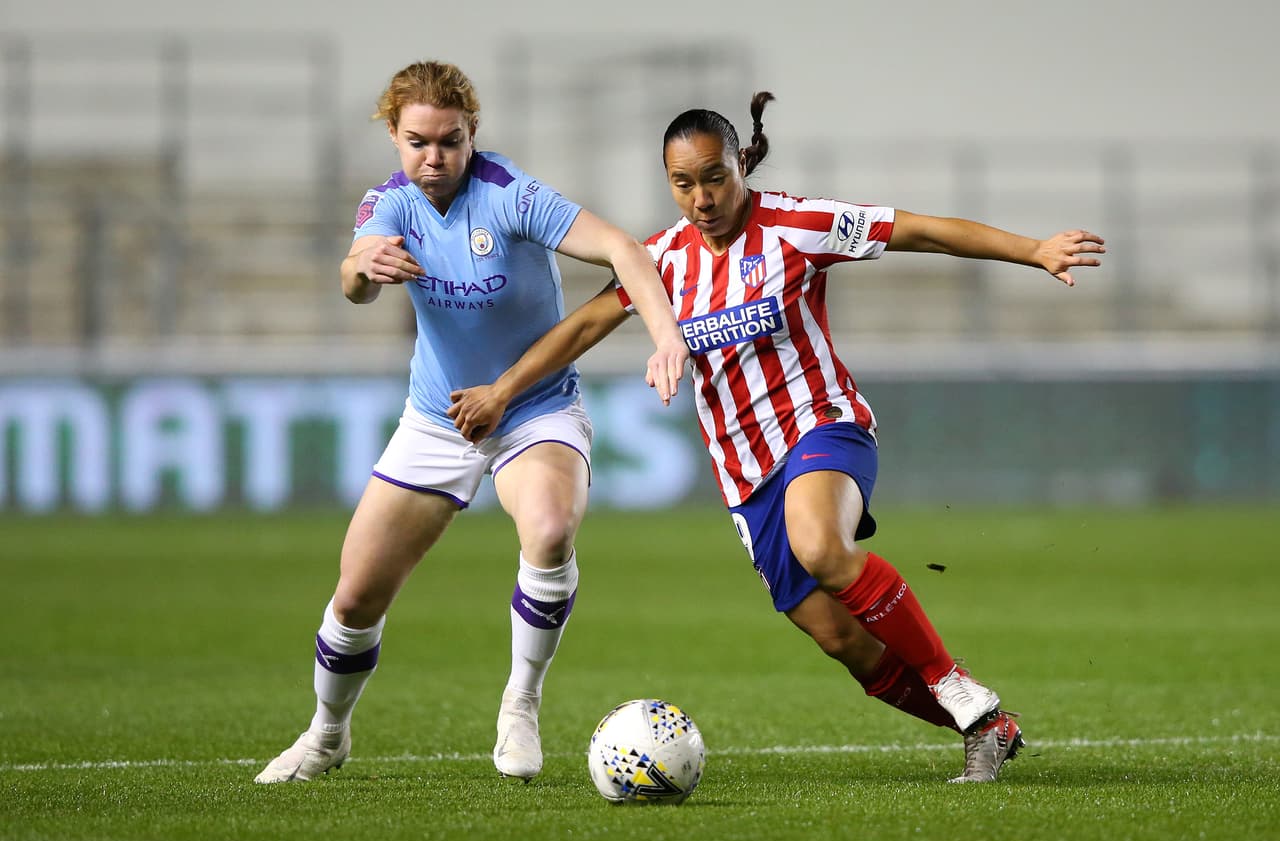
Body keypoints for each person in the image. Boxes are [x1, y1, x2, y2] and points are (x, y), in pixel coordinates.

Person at [447, 92, 1106, 783]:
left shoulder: (797, 224)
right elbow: (583, 326)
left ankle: (953, 679)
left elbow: (917, 230)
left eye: (714, 177)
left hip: (823, 426)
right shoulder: (662, 261)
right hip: (744, 475)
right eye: (682, 183)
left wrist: (1033, 250)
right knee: (842, 638)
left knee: (821, 542)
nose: (700, 197)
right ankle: (985, 726)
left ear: (741, 165)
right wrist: (502, 390)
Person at [254, 60, 688, 784]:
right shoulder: (389, 203)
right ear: (393, 134)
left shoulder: (508, 194)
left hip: (534, 409)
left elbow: (624, 248)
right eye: (418, 141)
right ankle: (327, 734)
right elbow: (353, 279)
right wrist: (365, 268)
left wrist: (666, 333)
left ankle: (520, 703)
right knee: (356, 595)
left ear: (471, 133)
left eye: (450, 141)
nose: (435, 157)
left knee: (550, 529)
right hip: (436, 419)